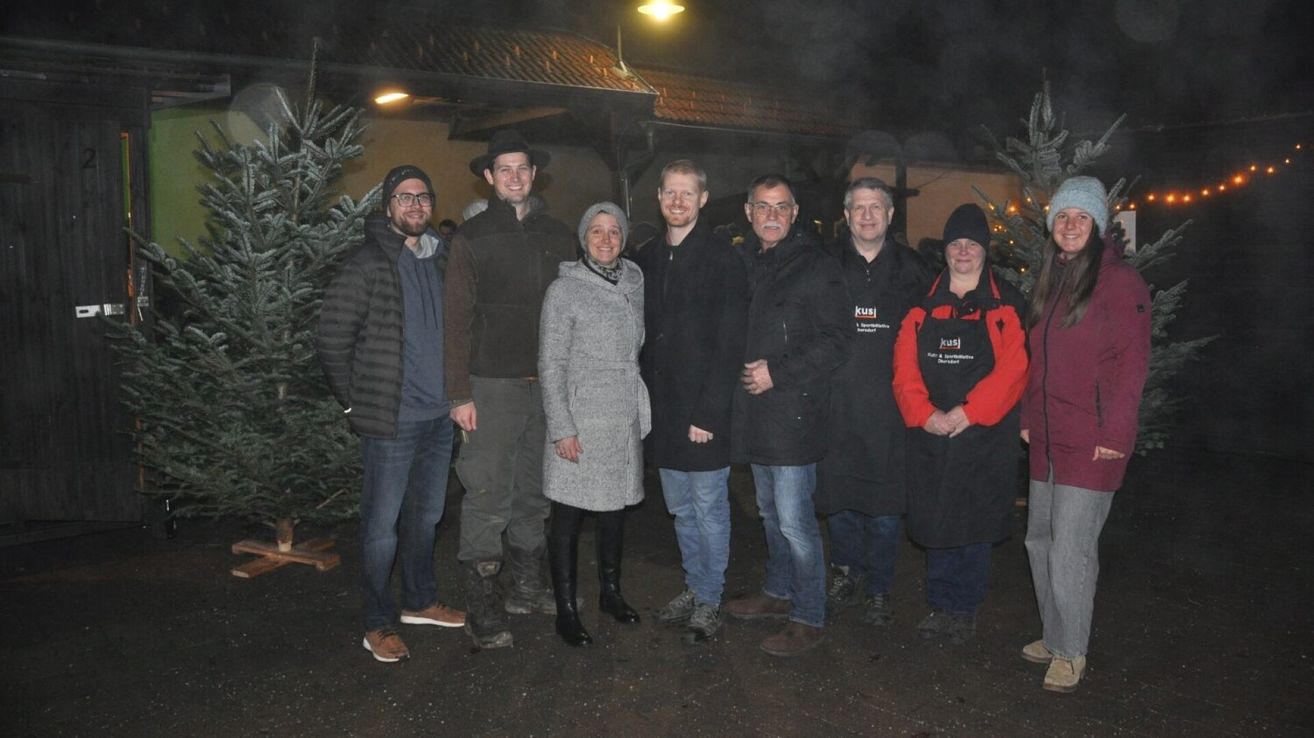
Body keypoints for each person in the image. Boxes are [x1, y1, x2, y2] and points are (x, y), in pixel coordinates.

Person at [317, 165, 465, 663]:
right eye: (404, 198)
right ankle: (377, 622)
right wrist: (353, 403)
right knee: (382, 528)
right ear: (387, 206)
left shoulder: (441, 260)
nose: (415, 206)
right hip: (391, 422)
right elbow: (331, 338)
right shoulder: (367, 264)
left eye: (423, 197)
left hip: (437, 418)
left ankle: (420, 600)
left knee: (426, 517)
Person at [444, 130, 577, 649]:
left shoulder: (558, 234)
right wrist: (458, 394)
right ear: (489, 176)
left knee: (533, 494)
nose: (515, 177)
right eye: (505, 169)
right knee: (486, 494)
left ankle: (526, 585)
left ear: (534, 174)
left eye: (523, 168)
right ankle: (483, 607)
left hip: (544, 386)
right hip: (490, 387)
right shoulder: (471, 238)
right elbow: (455, 321)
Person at [1020, 176, 1151, 693]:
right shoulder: (1054, 276)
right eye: (1062, 217)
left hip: (1093, 438)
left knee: (1071, 548)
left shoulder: (1121, 283)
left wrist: (1117, 431)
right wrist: (1028, 418)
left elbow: (1132, 365)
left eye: (1081, 217)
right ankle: (1055, 634)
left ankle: (1072, 650)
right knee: (1039, 540)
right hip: (1049, 434)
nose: (1070, 225)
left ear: (1098, 224)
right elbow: (1039, 362)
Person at [723, 174, 851, 657]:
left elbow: (839, 338)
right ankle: (778, 593)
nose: (772, 215)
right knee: (770, 513)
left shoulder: (816, 267)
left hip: (794, 414)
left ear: (795, 213)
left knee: (796, 520)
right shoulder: (746, 262)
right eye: (763, 206)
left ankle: (809, 615)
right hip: (755, 415)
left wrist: (779, 371)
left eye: (781, 207)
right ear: (749, 213)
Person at [892, 203, 1028, 645]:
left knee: (972, 521)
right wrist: (924, 415)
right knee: (936, 519)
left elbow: (1014, 370)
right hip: (931, 433)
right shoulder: (922, 306)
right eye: (956, 244)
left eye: (972, 244)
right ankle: (940, 601)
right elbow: (904, 370)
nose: (963, 252)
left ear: (985, 250)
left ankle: (964, 607)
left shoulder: (1006, 304)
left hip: (982, 436)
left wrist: (967, 413)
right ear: (946, 250)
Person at [631, 160, 749, 644]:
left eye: (687, 194)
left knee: (709, 507)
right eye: (669, 193)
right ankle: (694, 585)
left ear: (703, 199)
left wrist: (709, 413)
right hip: (663, 410)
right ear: (658, 198)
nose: (677, 202)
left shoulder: (723, 259)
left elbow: (729, 343)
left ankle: (709, 597)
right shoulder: (648, 258)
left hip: (702, 412)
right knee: (679, 508)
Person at [817, 177, 933, 627]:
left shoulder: (915, 270)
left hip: (891, 412)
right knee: (841, 499)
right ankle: (845, 574)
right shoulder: (825, 264)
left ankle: (881, 588)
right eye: (858, 208)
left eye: (876, 208)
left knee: (885, 508)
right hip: (835, 405)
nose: (867, 216)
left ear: (890, 216)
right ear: (845, 217)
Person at [538, 202, 650, 646]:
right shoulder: (564, 291)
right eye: (596, 232)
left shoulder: (633, 282)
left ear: (623, 238)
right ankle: (565, 609)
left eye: (614, 232)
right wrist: (562, 427)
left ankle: (610, 592)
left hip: (622, 416)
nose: (606, 240)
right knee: (567, 516)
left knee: (615, 511)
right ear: (583, 239)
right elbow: (551, 363)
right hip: (581, 419)